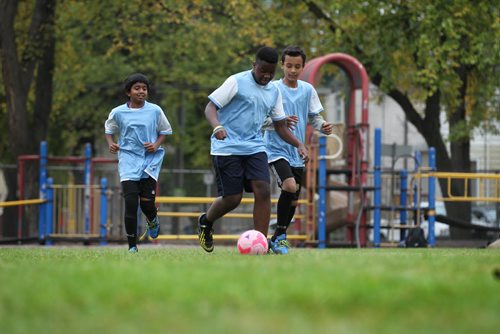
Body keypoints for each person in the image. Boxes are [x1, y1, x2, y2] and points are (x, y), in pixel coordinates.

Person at [198, 46, 309, 253]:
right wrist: (217, 126)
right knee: (233, 198)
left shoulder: (274, 91)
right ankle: (206, 221)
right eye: (262, 71)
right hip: (227, 147)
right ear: (254, 66)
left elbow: (280, 126)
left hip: (255, 147)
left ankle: (262, 243)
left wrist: (299, 144)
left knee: (263, 190)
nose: (266, 76)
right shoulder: (236, 81)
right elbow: (210, 108)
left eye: (270, 72)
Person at [264, 46, 333, 254]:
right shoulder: (273, 89)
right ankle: (280, 236)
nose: (292, 70)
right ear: (282, 66)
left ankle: (279, 236)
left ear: (302, 67)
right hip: (275, 148)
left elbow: (315, 117)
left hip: (298, 151)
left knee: (294, 195)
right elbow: (261, 120)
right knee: (290, 185)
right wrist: (278, 121)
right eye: (288, 66)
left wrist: (323, 126)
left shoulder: (308, 90)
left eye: (297, 66)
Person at [104, 73, 172, 253]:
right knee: (131, 203)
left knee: (147, 204)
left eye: (144, 88)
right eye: (137, 88)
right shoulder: (118, 112)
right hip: (127, 160)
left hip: (150, 161)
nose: (141, 91)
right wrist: (111, 144)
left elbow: (165, 131)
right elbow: (109, 130)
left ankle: (152, 219)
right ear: (128, 92)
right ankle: (132, 247)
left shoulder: (155, 110)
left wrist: (155, 144)